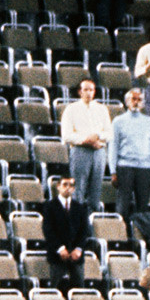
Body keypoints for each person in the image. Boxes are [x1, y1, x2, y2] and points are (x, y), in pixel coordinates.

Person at [110, 87, 150, 241]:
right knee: (123, 205)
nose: (136, 102)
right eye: (134, 99)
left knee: (143, 207)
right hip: (124, 167)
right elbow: (113, 147)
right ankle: (121, 238)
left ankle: (141, 239)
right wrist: (113, 171)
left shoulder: (149, 122)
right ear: (127, 102)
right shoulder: (118, 121)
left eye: (139, 100)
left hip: (145, 168)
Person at [60, 78, 113, 208]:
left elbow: (109, 133)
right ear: (80, 92)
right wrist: (86, 141)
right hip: (80, 150)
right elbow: (66, 135)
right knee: (78, 188)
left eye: (91, 90)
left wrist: (97, 136)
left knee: (96, 189)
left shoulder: (102, 109)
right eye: (85, 90)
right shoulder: (71, 109)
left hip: (98, 151)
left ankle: (92, 219)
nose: (89, 93)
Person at [40, 174, 93, 295]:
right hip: (57, 255)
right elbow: (48, 230)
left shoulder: (80, 208)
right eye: (65, 184)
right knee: (56, 290)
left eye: (71, 185)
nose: (68, 188)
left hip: (76, 256)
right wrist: (60, 248)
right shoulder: (50, 206)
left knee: (79, 291)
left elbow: (84, 231)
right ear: (58, 186)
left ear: (74, 189)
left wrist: (78, 249)